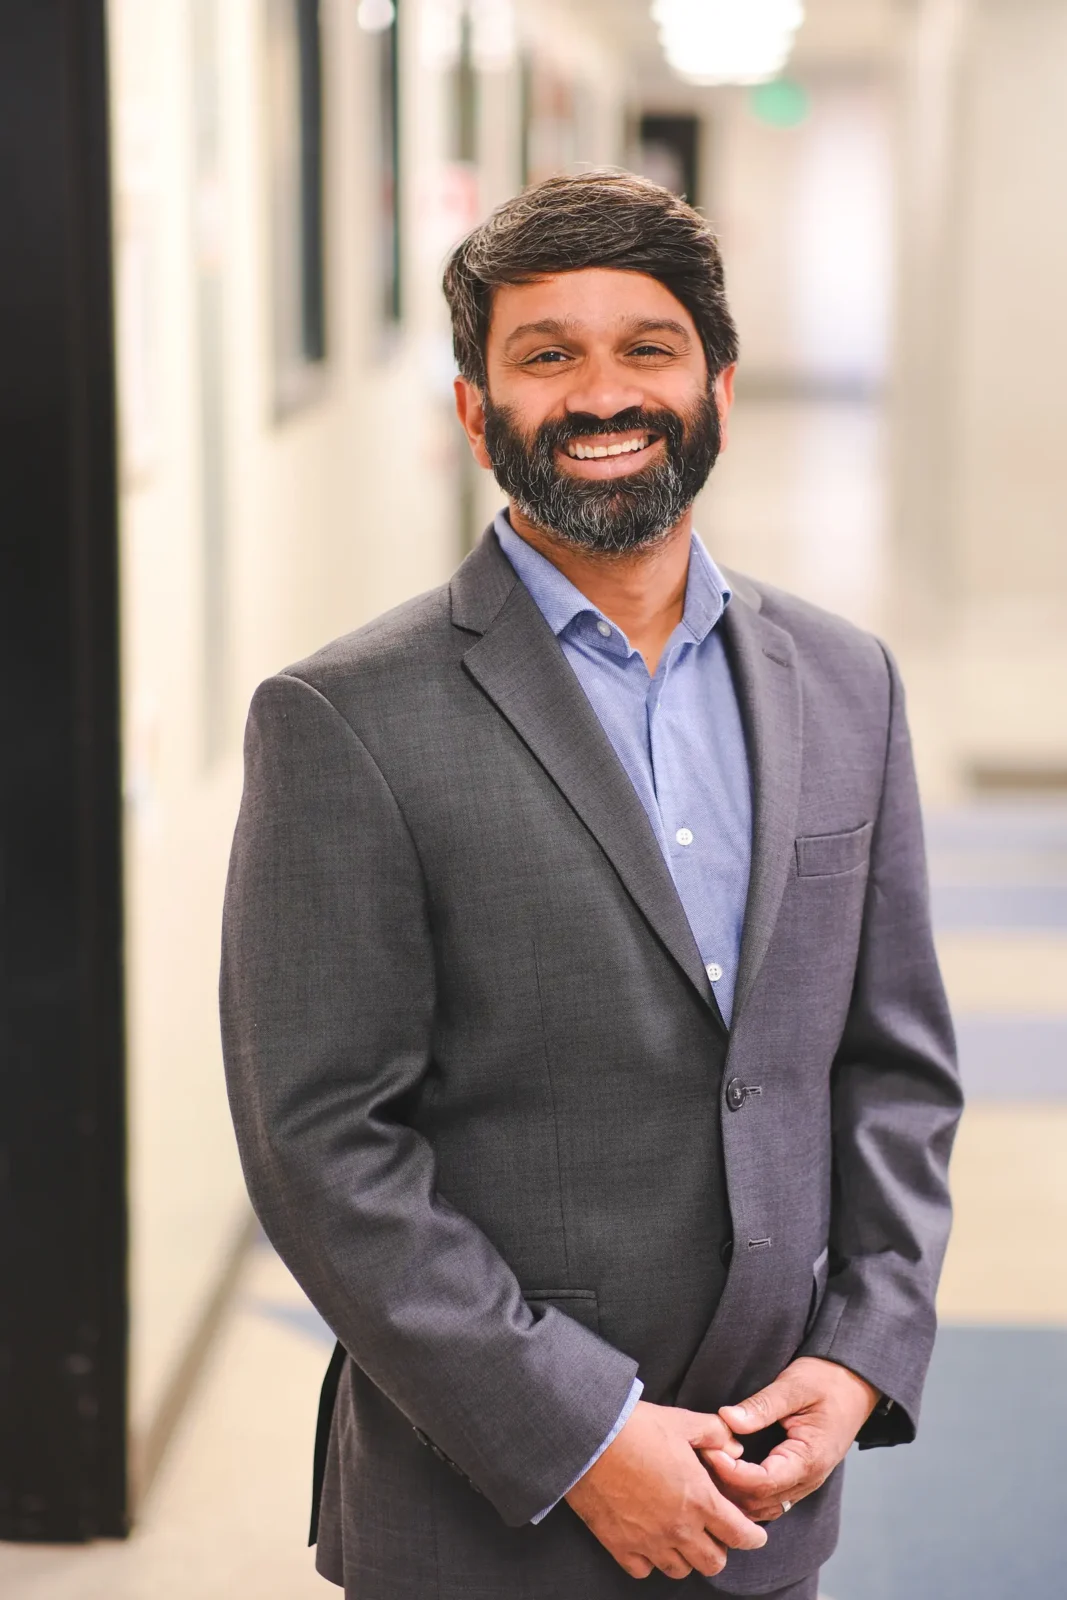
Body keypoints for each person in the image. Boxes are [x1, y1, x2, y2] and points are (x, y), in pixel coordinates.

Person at [220, 171, 962, 1599]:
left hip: (764, 1479)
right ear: (472, 410)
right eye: (545, 353)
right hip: (481, 1499)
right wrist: (587, 1435)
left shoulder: (845, 684)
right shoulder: (345, 718)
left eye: (646, 347)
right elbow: (321, 1146)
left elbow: (892, 1065)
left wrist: (862, 1349)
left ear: (719, 387)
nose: (600, 392)